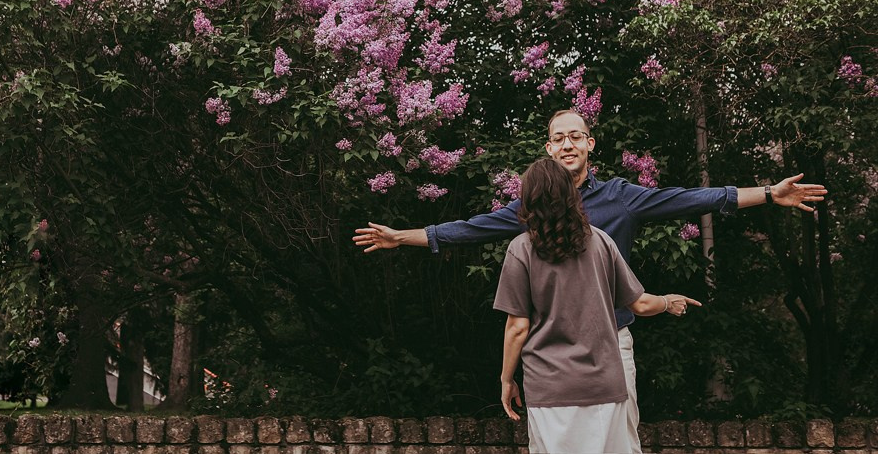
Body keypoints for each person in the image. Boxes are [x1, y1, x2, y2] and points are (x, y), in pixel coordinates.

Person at [354, 109, 827, 454]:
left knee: (621, 443)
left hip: (611, 346)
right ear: (548, 148)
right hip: (550, 361)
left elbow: (689, 200)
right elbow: (470, 228)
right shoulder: (530, 215)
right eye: (558, 138)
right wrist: (404, 237)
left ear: (590, 144)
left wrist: (767, 193)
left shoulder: (621, 199)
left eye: (575, 136)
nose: (566, 145)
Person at [496, 158, 700, 454]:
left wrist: (506, 379)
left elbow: (517, 327)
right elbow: (640, 304)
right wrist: (667, 302)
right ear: (571, 196)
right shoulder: (601, 242)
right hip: (605, 385)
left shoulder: (521, 249)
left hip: (550, 387)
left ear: (529, 199)